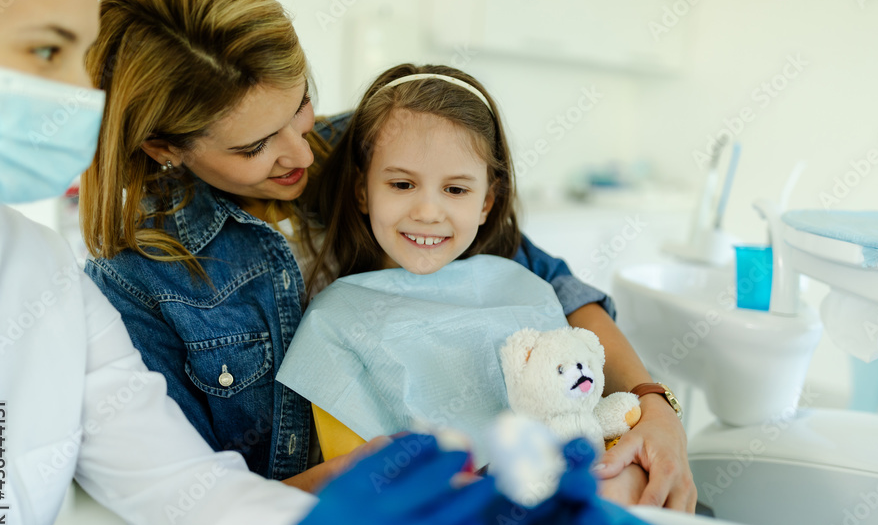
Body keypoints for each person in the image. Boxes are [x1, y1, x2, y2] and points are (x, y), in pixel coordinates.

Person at [0, 0, 641, 525]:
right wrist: (339, 510)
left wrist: (651, 402)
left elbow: (547, 279)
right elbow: (189, 501)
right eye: (253, 145)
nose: (302, 151)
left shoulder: (378, 144)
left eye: (300, 104)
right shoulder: (136, 278)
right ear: (165, 147)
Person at [276, 64, 648, 466]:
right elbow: (358, 476)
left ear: (487, 203)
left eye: (455, 189)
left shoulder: (524, 284)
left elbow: (580, 409)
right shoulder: (334, 320)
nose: (427, 212)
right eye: (402, 184)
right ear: (362, 191)